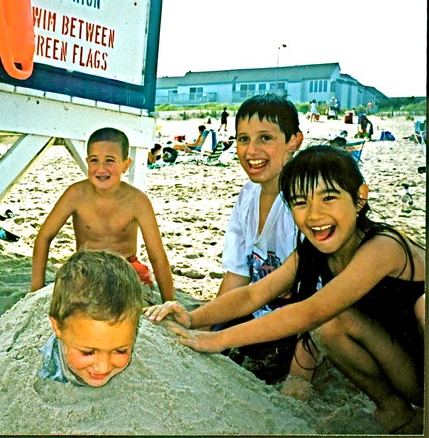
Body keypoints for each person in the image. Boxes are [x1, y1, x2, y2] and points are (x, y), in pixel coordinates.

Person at [145, 144, 425, 434]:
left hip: (420, 368)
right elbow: (255, 294)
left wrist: (216, 341)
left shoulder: (383, 247)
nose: (314, 215)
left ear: (359, 198)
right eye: (300, 202)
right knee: (333, 325)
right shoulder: (314, 252)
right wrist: (194, 319)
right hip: (401, 368)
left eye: (328, 198)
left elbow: (310, 312)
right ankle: (394, 408)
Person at [164, 93, 308, 387]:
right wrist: (199, 326)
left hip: (300, 325)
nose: (251, 150)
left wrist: (299, 379)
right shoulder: (247, 196)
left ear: (294, 141)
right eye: (243, 139)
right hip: (255, 314)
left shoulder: (305, 200)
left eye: (265, 138)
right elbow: (236, 278)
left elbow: (316, 303)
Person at [31, 127, 175, 304]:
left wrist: (169, 302)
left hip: (125, 269)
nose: (101, 168)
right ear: (87, 162)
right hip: (86, 268)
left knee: (125, 304)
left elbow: (157, 256)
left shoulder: (137, 201)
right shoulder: (75, 194)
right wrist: (35, 291)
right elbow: (44, 237)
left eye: (110, 161)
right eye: (94, 160)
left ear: (125, 164)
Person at [38, 249, 143, 387]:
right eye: (88, 353)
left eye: (120, 351)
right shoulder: (47, 369)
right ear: (58, 327)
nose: (103, 367)